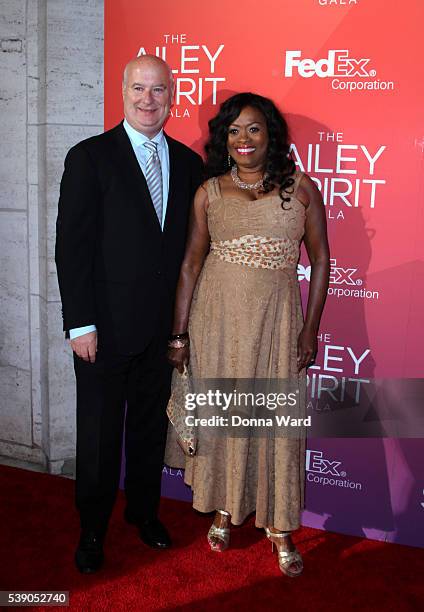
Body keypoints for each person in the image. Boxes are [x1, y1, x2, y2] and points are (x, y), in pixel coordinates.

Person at [166, 92, 330, 577]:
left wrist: (310, 328)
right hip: (215, 320)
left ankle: (279, 526)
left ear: (270, 135)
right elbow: (191, 265)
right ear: (224, 139)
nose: (243, 139)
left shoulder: (301, 188)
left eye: (254, 128)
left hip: (276, 323)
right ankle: (223, 508)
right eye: (234, 130)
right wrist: (179, 336)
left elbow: (319, 261)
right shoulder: (209, 192)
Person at [55, 55, 203, 573]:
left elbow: (190, 251)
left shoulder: (188, 164)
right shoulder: (90, 158)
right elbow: (72, 249)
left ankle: (143, 514)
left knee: (146, 429)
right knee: (98, 436)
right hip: (104, 331)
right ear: (122, 91)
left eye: (158, 90)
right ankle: (92, 529)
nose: (148, 99)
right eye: (139, 88)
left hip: (163, 332)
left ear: (172, 96)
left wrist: (184, 328)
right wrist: (81, 324)